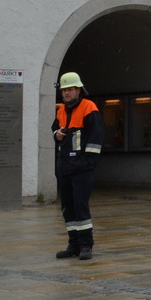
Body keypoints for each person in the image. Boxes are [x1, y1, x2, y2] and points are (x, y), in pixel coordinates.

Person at [52, 73, 103, 260]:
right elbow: (54, 129)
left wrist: (88, 163)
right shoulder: (61, 110)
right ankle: (73, 244)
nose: (67, 93)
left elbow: (96, 138)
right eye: (64, 90)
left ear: (78, 90)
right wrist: (57, 134)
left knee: (81, 206)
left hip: (82, 168)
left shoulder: (89, 108)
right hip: (65, 166)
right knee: (68, 207)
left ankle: (86, 245)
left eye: (70, 89)